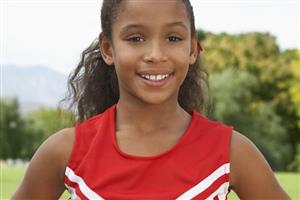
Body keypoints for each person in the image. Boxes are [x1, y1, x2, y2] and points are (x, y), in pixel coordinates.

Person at [12, 0, 290, 199]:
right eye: (135, 38)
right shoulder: (65, 151)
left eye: (173, 37)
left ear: (192, 49)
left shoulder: (231, 152)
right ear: (108, 48)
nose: (156, 54)